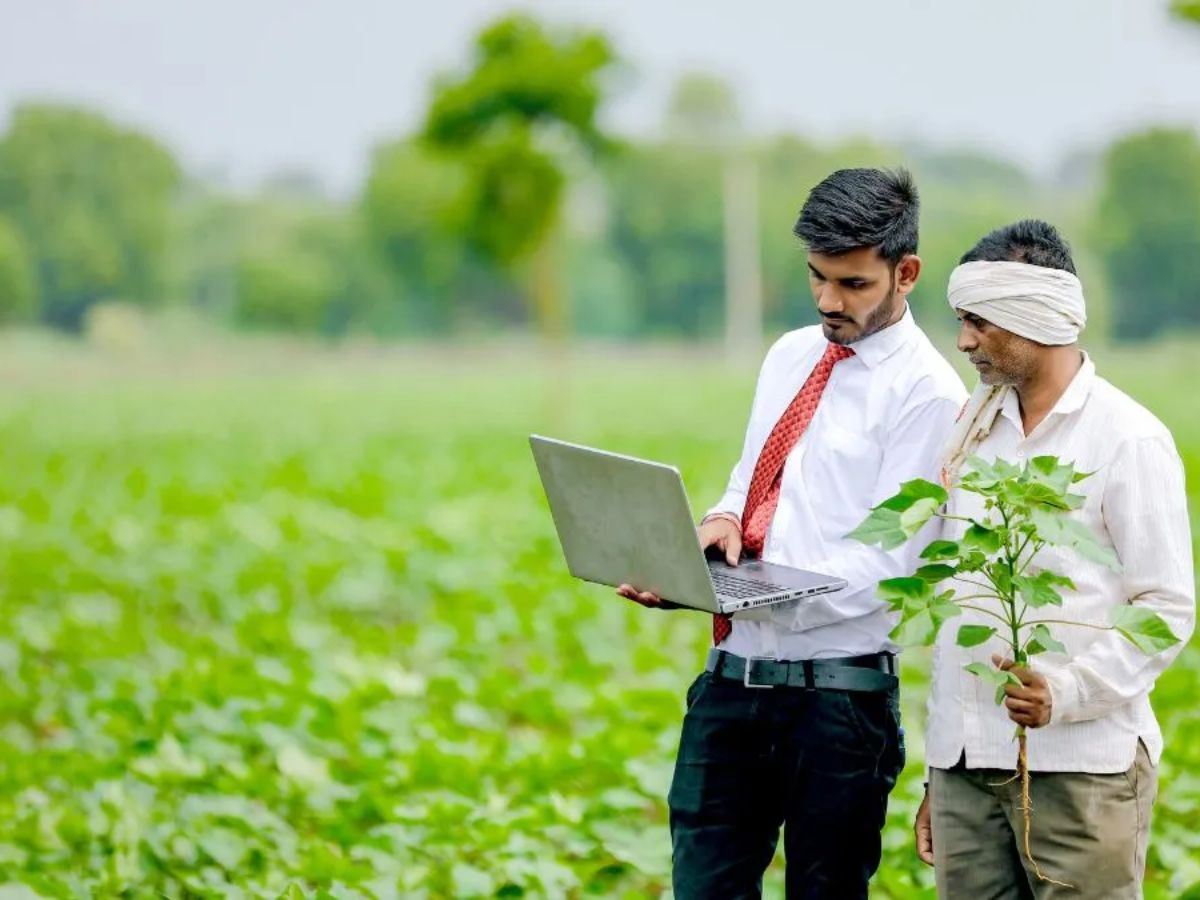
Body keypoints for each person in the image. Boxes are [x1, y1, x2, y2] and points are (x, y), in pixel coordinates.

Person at [618, 167, 967, 899]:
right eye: (816, 277)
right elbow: (753, 481)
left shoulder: (928, 392)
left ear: (906, 274)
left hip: (837, 705)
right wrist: (716, 532)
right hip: (731, 685)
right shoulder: (789, 355)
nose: (827, 301)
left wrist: (739, 591)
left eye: (852, 284)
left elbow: (888, 565)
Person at [914, 220, 1196, 898]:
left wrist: (1066, 692)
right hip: (966, 769)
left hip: (1082, 772)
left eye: (980, 322)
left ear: (1036, 316)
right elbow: (956, 602)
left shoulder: (1127, 439)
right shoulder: (971, 431)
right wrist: (937, 775)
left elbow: (1166, 609)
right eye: (961, 320)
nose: (964, 342)